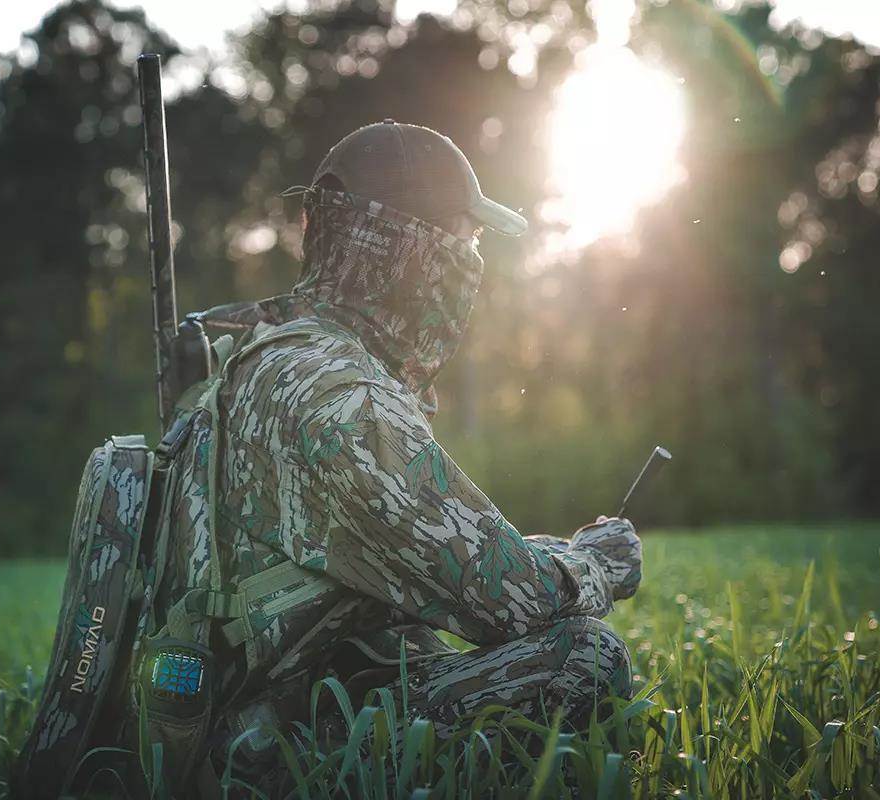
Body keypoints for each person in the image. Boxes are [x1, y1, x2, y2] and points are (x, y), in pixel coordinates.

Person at [182, 120, 642, 783]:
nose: (473, 261)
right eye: (468, 239)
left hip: (238, 718)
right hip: (266, 758)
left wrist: (546, 554)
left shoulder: (259, 356)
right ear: (415, 249)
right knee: (585, 657)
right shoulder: (342, 396)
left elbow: (421, 563)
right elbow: (515, 602)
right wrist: (597, 564)